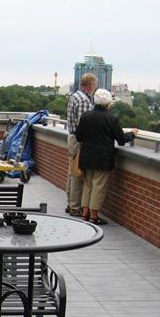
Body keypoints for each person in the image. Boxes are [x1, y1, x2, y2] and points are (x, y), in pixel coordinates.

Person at [74, 89, 138, 225]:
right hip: (103, 159)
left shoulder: (86, 116)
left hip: (86, 157)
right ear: (108, 103)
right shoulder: (111, 119)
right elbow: (121, 139)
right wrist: (132, 133)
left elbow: (78, 136)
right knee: (99, 186)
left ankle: (85, 213)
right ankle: (94, 215)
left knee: (88, 185)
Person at [65, 73, 98, 216]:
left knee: (72, 172)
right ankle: (75, 207)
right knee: (78, 175)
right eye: (95, 85)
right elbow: (84, 125)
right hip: (79, 141)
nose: (95, 88)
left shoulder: (74, 96)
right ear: (90, 85)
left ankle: (70, 204)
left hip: (72, 138)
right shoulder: (84, 100)